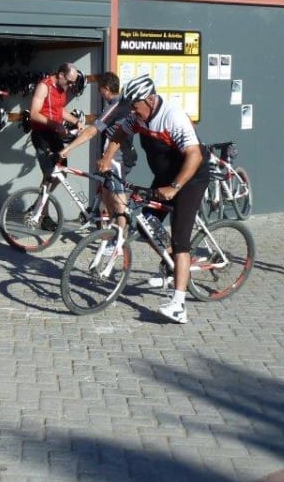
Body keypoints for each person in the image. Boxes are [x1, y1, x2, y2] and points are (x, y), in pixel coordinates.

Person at [98, 73, 208, 324]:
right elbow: (118, 134)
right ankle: (172, 265)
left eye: (136, 107)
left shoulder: (173, 117)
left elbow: (194, 156)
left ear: (149, 100)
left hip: (190, 177)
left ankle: (179, 305)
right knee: (146, 224)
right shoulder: (138, 117)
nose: (133, 112)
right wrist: (106, 158)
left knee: (181, 240)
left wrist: (175, 187)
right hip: (165, 176)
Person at [59, 72, 136, 231]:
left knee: (118, 198)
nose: (99, 93)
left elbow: (91, 131)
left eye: (100, 89)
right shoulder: (126, 102)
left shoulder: (114, 106)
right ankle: (111, 232)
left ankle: (121, 241)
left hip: (117, 158)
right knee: (107, 196)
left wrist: (68, 148)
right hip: (120, 155)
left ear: (106, 89)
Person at [28, 63, 85, 229]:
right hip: (42, 134)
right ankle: (43, 215)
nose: (70, 85)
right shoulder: (43, 86)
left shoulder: (62, 87)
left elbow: (60, 110)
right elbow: (34, 113)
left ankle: (40, 203)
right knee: (49, 174)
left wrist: (76, 121)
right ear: (60, 74)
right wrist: (55, 125)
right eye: (69, 81)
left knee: (61, 173)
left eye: (73, 83)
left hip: (54, 134)